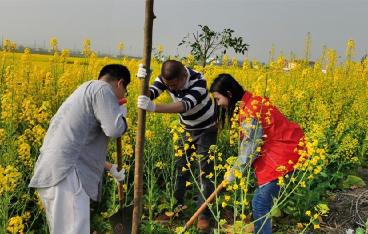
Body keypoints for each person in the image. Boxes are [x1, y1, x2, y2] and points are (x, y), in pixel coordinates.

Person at [29, 64, 130, 234]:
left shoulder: (83, 90)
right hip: (67, 176)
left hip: (55, 172)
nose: (125, 95)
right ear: (120, 83)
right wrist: (122, 117)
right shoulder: (102, 89)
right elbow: (114, 129)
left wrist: (109, 167)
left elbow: (77, 143)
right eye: (126, 89)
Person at [210, 73, 304, 234]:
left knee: (260, 204)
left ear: (229, 94)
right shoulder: (251, 102)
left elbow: (249, 149)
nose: (218, 104)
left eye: (218, 99)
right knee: (261, 202)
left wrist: (232, 175)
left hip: (282, 156)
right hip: (285, 151)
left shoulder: (250, 112)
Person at [137, 60, 217, 231]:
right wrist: (143, 83)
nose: (172, 88)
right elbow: (151, 92)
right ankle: (176, 209)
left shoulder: (199, 81)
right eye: (168, 85)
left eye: (174, 85)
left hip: (207, 129)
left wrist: (154, 107)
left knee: (205, 172)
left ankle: (204, 215)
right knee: (180, 169)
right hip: (185, 128)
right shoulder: (168, 79)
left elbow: (184, 105)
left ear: (184, 76)